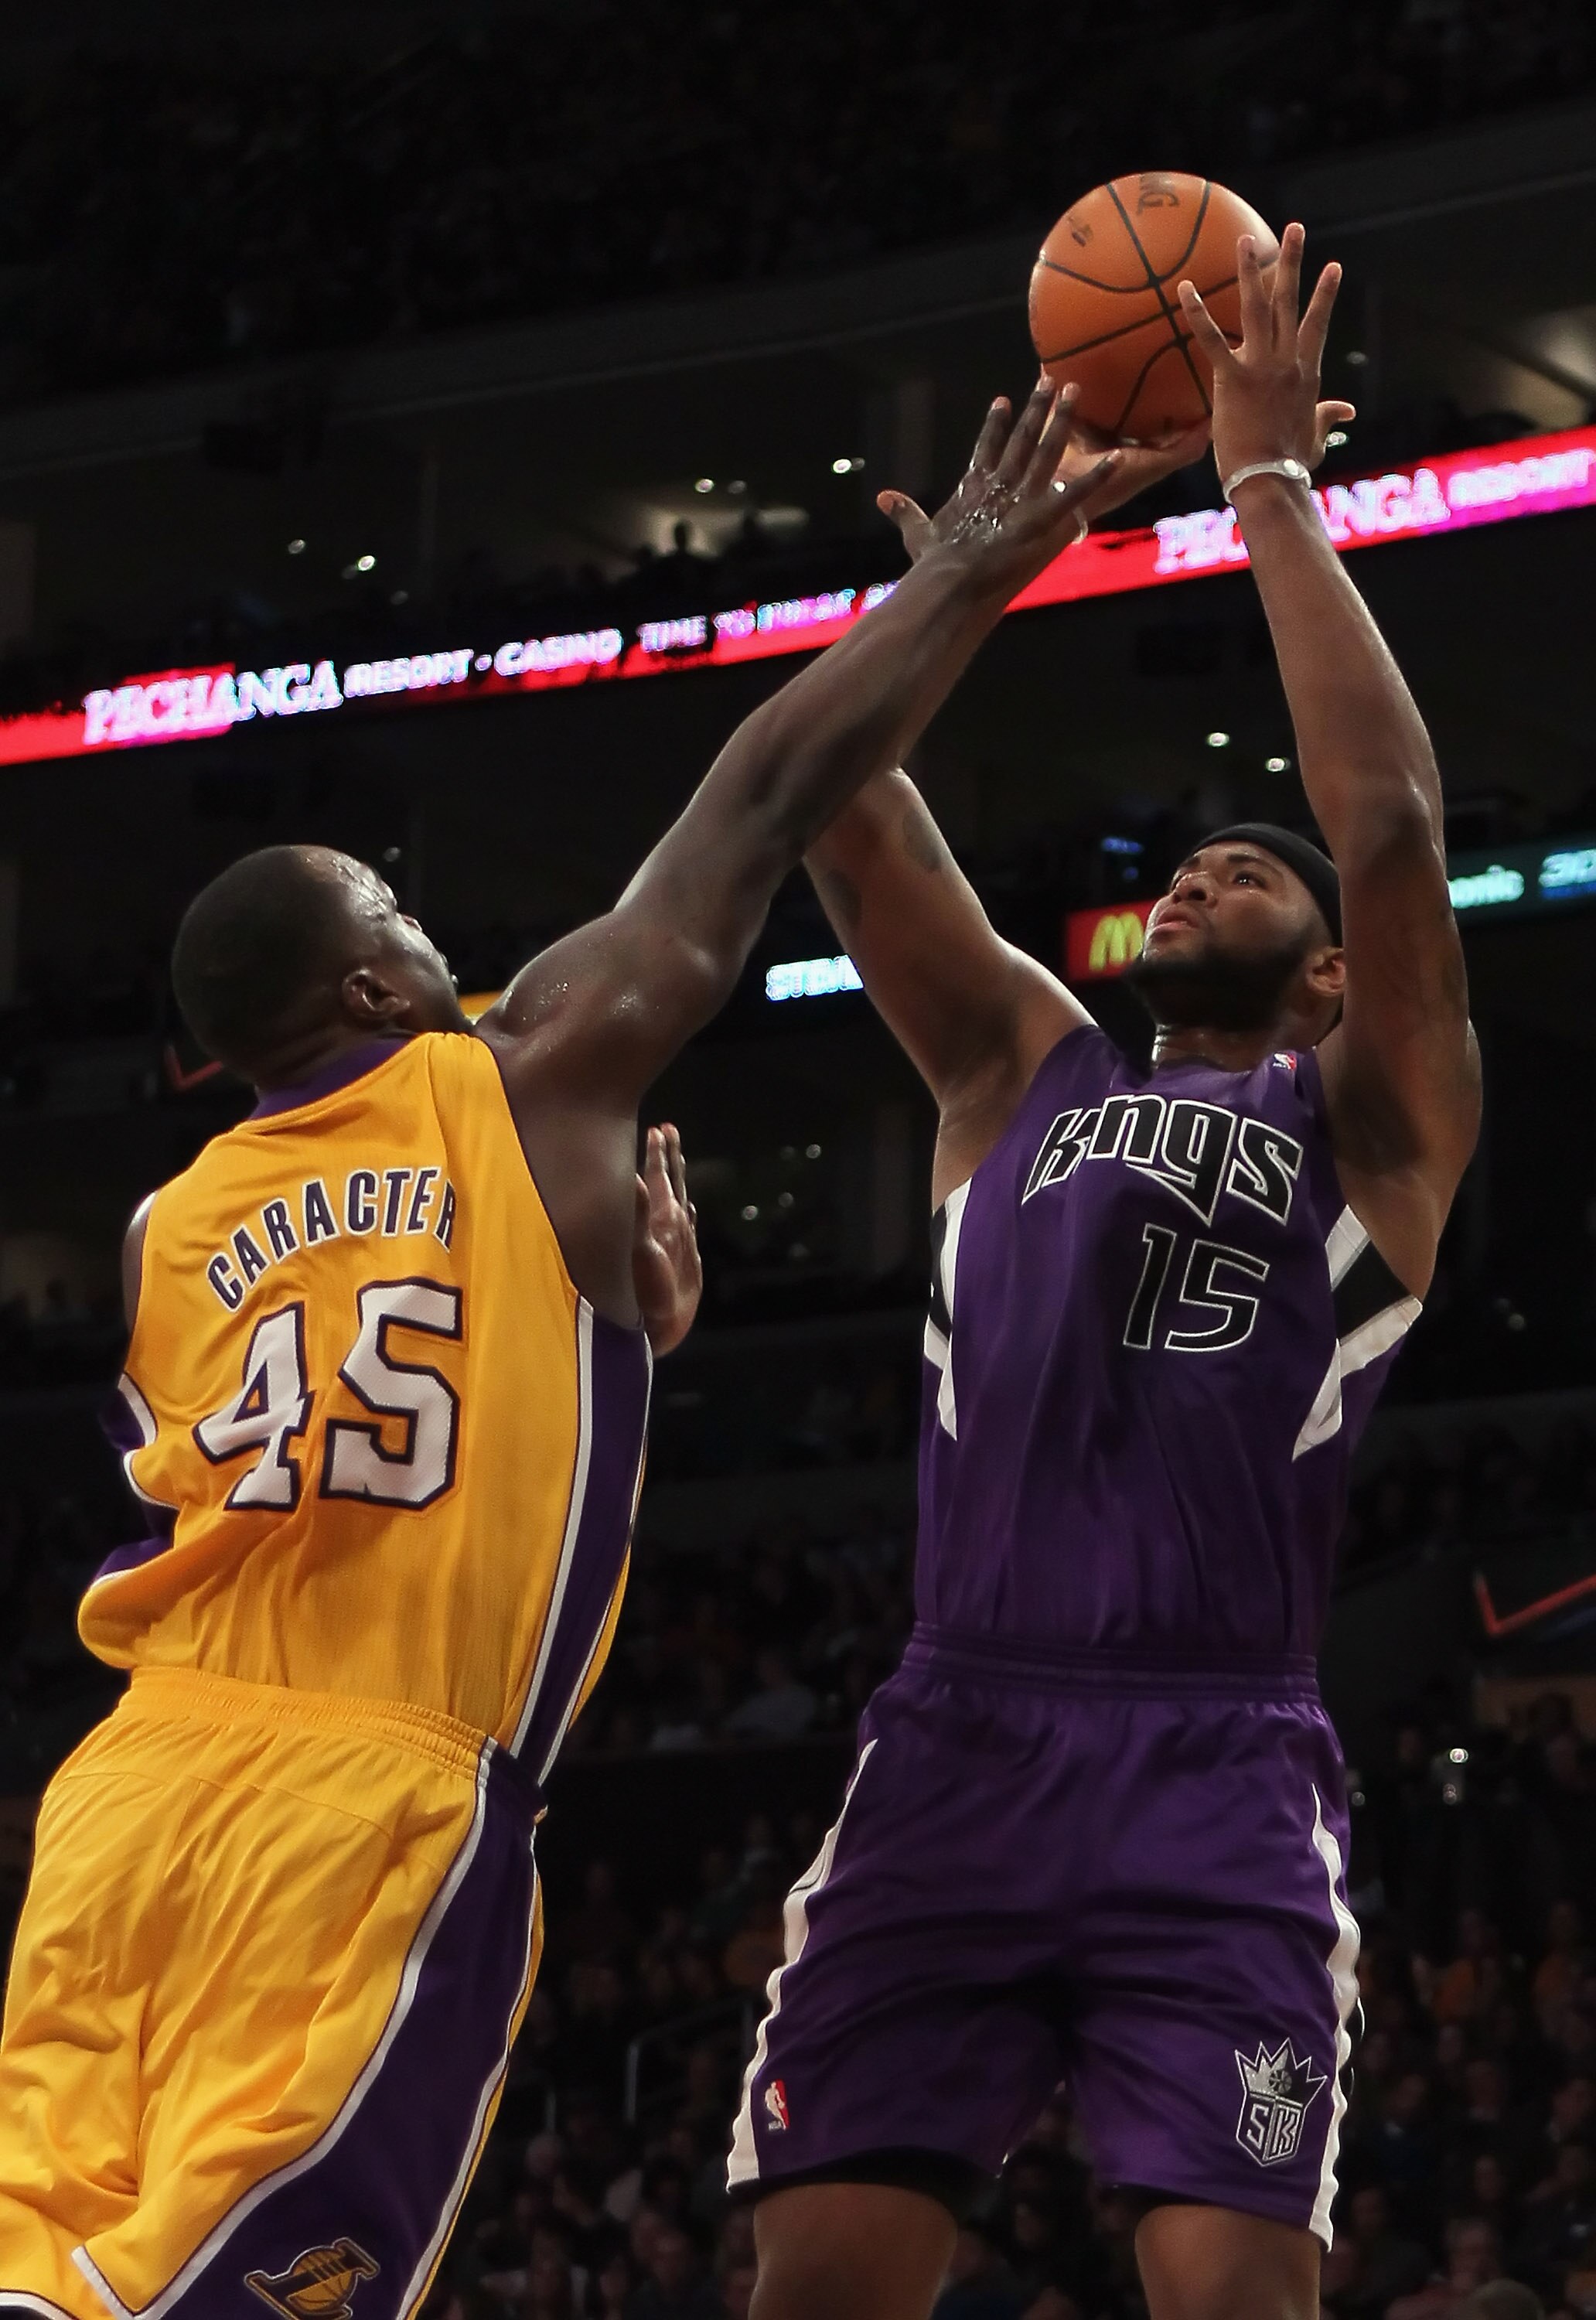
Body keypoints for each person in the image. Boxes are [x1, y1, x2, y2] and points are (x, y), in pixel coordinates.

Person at [0, 387, 1123, 2319]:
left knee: (46, 2255)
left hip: (124, 1800)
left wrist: (602, 1318)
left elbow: (359, 1374)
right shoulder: (527, 1072)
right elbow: (763, 800)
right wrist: (969, 572)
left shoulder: (157, 1227)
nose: (438, 934)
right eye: (403, 919)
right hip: (366, 1800)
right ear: (369, 987)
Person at [730, 226, 1482, 2320]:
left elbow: (1397, 822)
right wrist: (959, 576)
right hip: (957, 1744)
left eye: (1245, 872)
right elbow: (836, 808)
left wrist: (1263, 487)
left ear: (1327, 973)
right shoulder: (1018, 1069)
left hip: (1220, 1767)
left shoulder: (1376, 1126)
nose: (1193, 876)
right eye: (1180, 865)